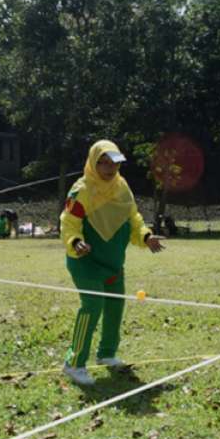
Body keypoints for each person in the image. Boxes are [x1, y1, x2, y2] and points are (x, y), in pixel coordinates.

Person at [60, 140, 165, 386]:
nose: (108, 168)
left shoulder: (122, 187)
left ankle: (106, 353)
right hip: (85, 261)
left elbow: (133, 218)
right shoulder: (81, 189)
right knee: (92, 305)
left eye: (113, 163)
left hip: (113, 262)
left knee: (115, 306)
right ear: (93, 163)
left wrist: (146, 236)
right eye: (102, 163)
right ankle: (73, 363)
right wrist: (76, 242)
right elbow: (68, 222)